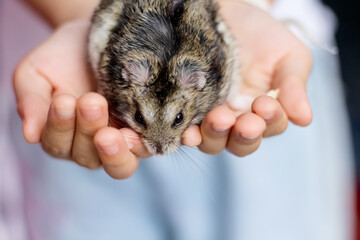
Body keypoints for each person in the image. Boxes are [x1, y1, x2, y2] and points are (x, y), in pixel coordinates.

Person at [1, 0, 354, 239]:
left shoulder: (209, 77)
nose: (157, 142)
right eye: (141, 116)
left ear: (200, 87)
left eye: (177, 120)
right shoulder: (120, 76)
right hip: (56, 68)